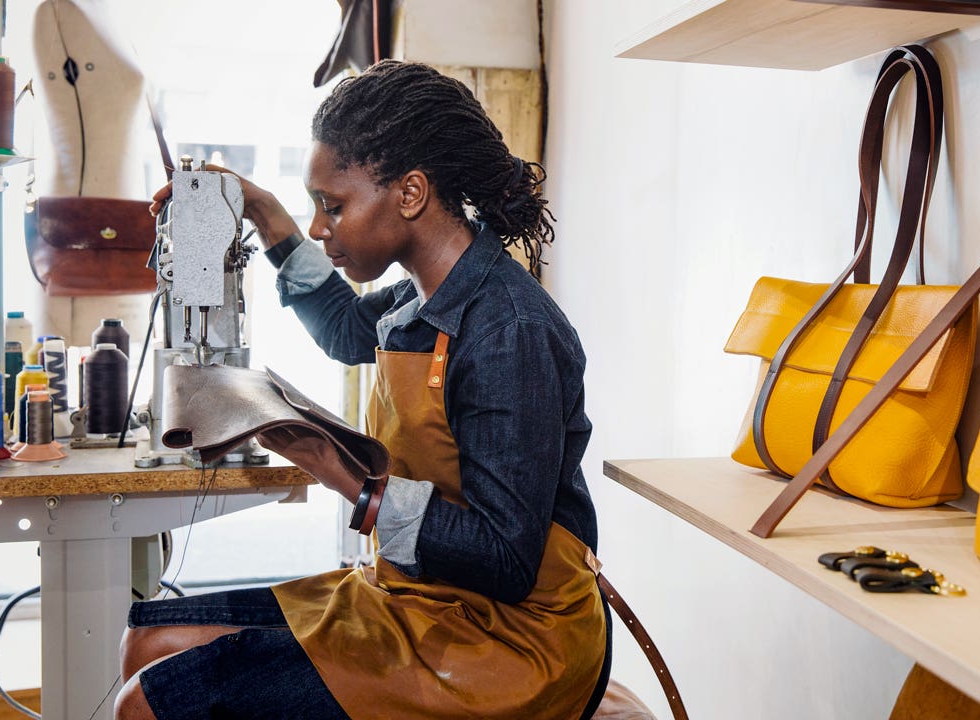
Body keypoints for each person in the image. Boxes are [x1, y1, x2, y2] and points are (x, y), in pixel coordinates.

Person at [115, 60, 610, 720]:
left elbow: (504, 560)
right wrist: (260, 209)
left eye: (334, 207)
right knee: (146, 640)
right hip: (422, 593)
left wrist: (345, 477)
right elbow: (349, 330)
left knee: (143, 706)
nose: (320, 227)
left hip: (511, 641)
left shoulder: (507, 331)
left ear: (409, 194)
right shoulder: (422, 294)